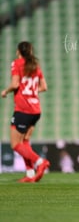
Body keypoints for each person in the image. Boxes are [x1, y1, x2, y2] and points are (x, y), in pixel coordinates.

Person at [1, 41, 50, 183]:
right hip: (35, 110)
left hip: (23, 110)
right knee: (25, 142)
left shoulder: (17, 63)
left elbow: (15, 84)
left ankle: (40, 162)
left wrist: (6, 91)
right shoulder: (35, 66)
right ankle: (30, 174)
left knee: (15, 144)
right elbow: (44, 87)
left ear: (18, 51)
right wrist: (30, 93)